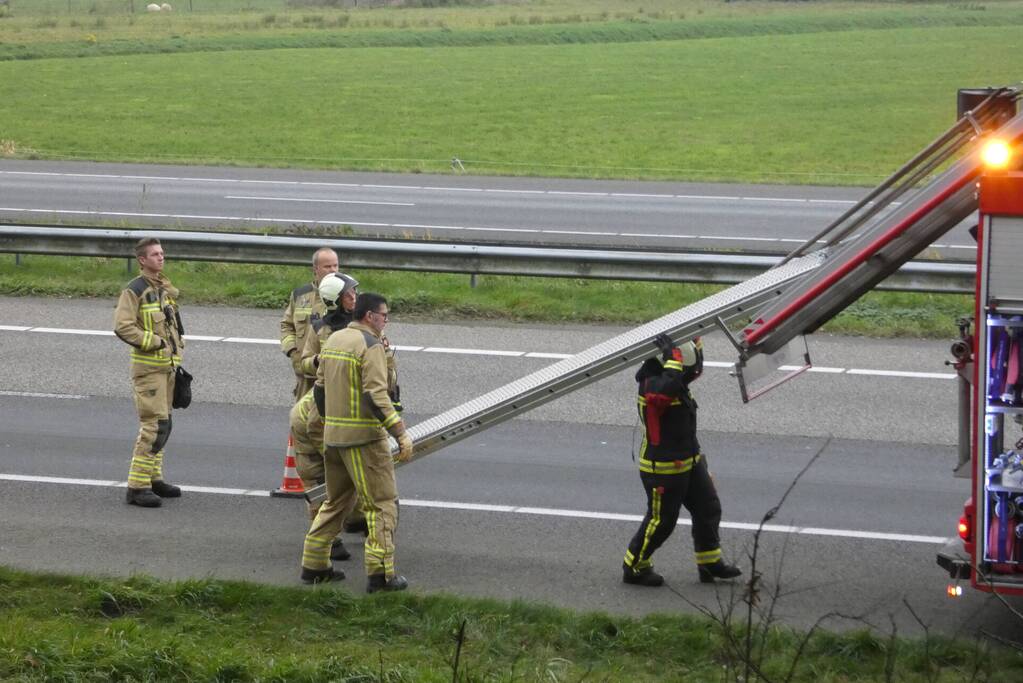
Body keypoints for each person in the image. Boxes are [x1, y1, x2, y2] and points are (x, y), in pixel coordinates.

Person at [300, 293, 414, 592]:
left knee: (335, 502)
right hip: (364, 439)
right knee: (382, 505)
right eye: (384, 315)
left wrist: (330, 425)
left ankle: (314, 565)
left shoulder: (335, 340)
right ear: (369, 316)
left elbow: (320, 389)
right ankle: (381, 575)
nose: (386, 320)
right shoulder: (371, 345)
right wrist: (400, 433)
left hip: (333, 437)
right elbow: (376, 395)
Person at [622, 333, 742, 586]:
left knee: (708, 508)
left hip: (689, 459)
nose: (690, 373)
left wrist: (694, 340)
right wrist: (674, 361)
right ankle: (634, 566)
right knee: (662, 521)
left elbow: (693, 370)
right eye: (682, 367)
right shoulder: (651, 384)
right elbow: (664, 393)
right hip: (663, 468)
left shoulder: (675, 376)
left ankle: (709, 563)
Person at [113, 237, 186, 508]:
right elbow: (123, 326)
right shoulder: (135, 290)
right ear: (142, 260)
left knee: (165, 424)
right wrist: (154, 343)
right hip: (148, 369)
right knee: (154, 426)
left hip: (167, 367)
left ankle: (154, 479)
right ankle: (137, 486)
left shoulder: (162, 288)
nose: (161, 257)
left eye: (162, 253)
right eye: (155, 254)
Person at [280, 247, 338, 400]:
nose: (333, 270)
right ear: (315, 269)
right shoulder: (300, 295)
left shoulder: (347, 297)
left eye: (335, 265)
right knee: (301, 415)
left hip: (334, 377)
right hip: (305, 375)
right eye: (327, 266)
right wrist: (293, 353)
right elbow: (287, 326)